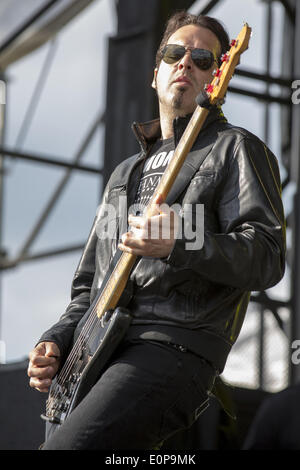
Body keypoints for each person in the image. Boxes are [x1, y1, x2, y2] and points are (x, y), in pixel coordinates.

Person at [27, 11, 286, 450]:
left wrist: (179, 243)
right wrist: (56, 341)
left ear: (218, 76)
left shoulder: (235, 148)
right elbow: (89, 288)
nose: (186, 63)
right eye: (174, 53)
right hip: (93, 355)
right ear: (155, 74)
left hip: (170, 348)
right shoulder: (124, 174)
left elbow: (266, 256)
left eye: (203, 58)